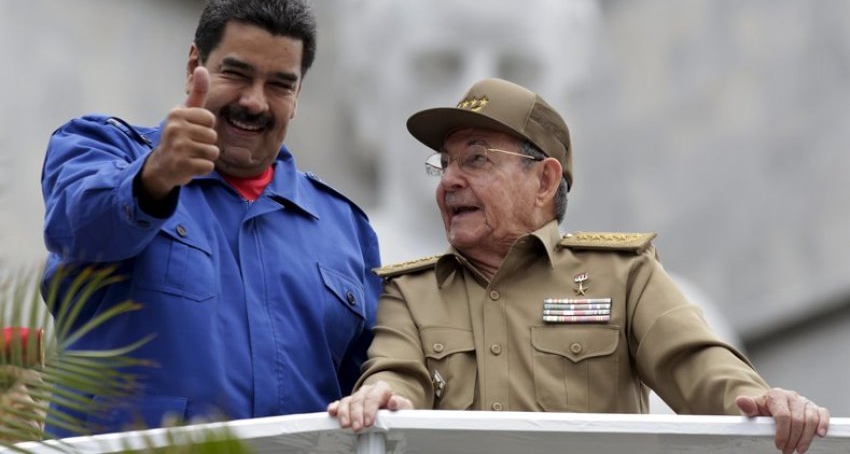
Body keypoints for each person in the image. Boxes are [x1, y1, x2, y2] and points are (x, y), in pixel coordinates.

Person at [328, 78, 830, 454]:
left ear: (545, 181)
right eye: (444, 163)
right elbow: (395, 375)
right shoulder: (412, 292)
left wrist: (765, 403)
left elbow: (699, 366)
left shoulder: (623, 275)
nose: (448, 181)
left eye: (476, 160)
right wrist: (381, 398)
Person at [40, 0, 382, 436]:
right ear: (194, 65)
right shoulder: (103, 150)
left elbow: (372, 379)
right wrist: (153, 178)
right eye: (236, 74)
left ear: (298, 95)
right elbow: (75, 226)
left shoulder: (345, 227)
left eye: (280, 85)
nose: (254, 102)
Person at [334, 0, 600, 262]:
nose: (482, 104)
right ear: (367, 94)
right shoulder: (302, 299)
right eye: (439, 64)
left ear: (571, 99)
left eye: (517, 70)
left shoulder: (647, 311)